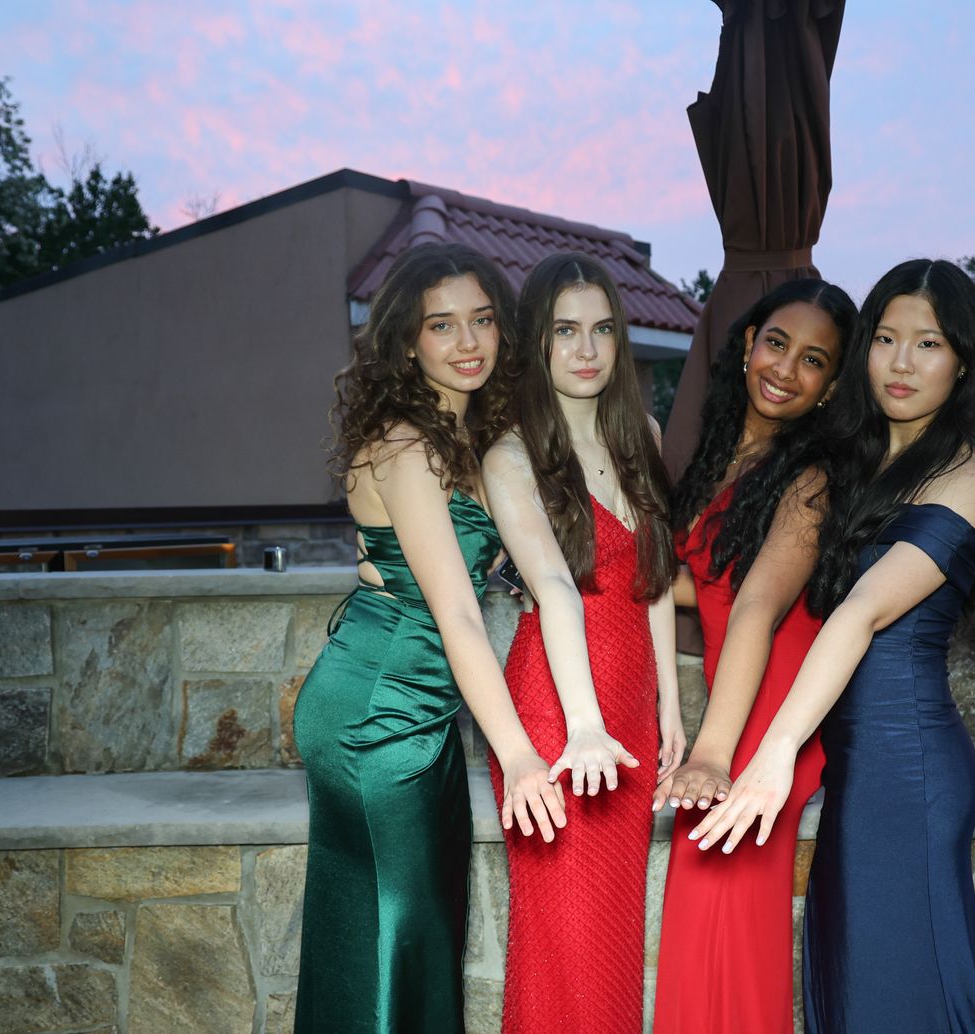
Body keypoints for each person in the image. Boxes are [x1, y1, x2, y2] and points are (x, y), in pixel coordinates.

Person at [688, 259, 975, 1033]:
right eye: (885, 339)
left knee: (905, 1003)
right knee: (854, 1000)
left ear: (962, 361)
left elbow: (862, 612)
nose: (902, 362)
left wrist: (773, 755)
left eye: (928, 344)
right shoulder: (841, 466)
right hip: (859, 774)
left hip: (912, 772)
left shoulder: (969, 477)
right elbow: (755, 595)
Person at [292, 242, 566, 1034]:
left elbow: (478, 570)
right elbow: (455, 613)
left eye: (482, 319)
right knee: (401, 932)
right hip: (375, 713)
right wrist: (518, 756)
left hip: (425, 712)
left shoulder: (464, 436)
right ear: (406, 342)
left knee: (416, 931)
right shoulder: (406, 443)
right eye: (441, 325)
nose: (468, 341)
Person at [481, 252, 682, 1034]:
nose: (587, 350)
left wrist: (668, 708)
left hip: (628, 717)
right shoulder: (510, 456)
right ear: (535, 339)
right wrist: (584, 725)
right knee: (563, 943)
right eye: (566, 331)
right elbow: (556, 588)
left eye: (602, 330)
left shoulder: (642, 435)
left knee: (612, 941)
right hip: (558, 719)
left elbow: (653, 578)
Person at [649, 279, 856, 1034]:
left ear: (831, 385)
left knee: (729, 931)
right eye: (777, 343)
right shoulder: (725, 456)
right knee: (702, 931)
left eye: (814, 360)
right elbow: (701, 584)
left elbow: (757, 608)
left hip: (769, 729)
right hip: (738, 705)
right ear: (747, 344)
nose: (786, 369)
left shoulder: (812, 477)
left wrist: (712, 753)